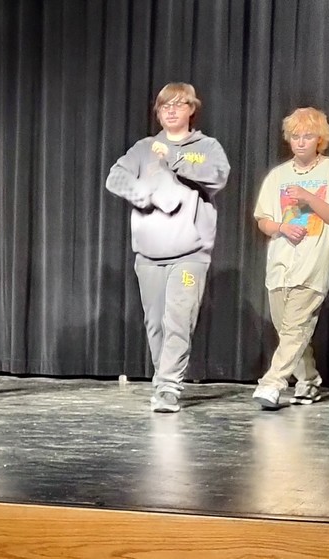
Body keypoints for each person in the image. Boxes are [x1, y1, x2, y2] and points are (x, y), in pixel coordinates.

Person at [105, 82, 230, 412]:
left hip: (190, 259)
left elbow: (217, 176)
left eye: (179, 104)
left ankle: (168, 386)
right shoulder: (143, 149)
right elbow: (114, 178)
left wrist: (175, 157)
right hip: (148, 257)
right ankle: (164, 378)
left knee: (179, 317)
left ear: (192, 109)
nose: (171, 111)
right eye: (164, 106)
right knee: (156, 322)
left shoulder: (205, 147)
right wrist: (147, 196)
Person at [251, 107, 329, 409]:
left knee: (296, 327)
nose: (301, 141)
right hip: (280, 263)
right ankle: (308, 383)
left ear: (320, 139)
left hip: (314, 260)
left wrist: (309, 198)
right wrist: (281, 226)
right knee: (290, 330)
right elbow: (263, 220)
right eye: (296, 136)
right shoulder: (277, 176)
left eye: (307, 136)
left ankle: (272, 384)